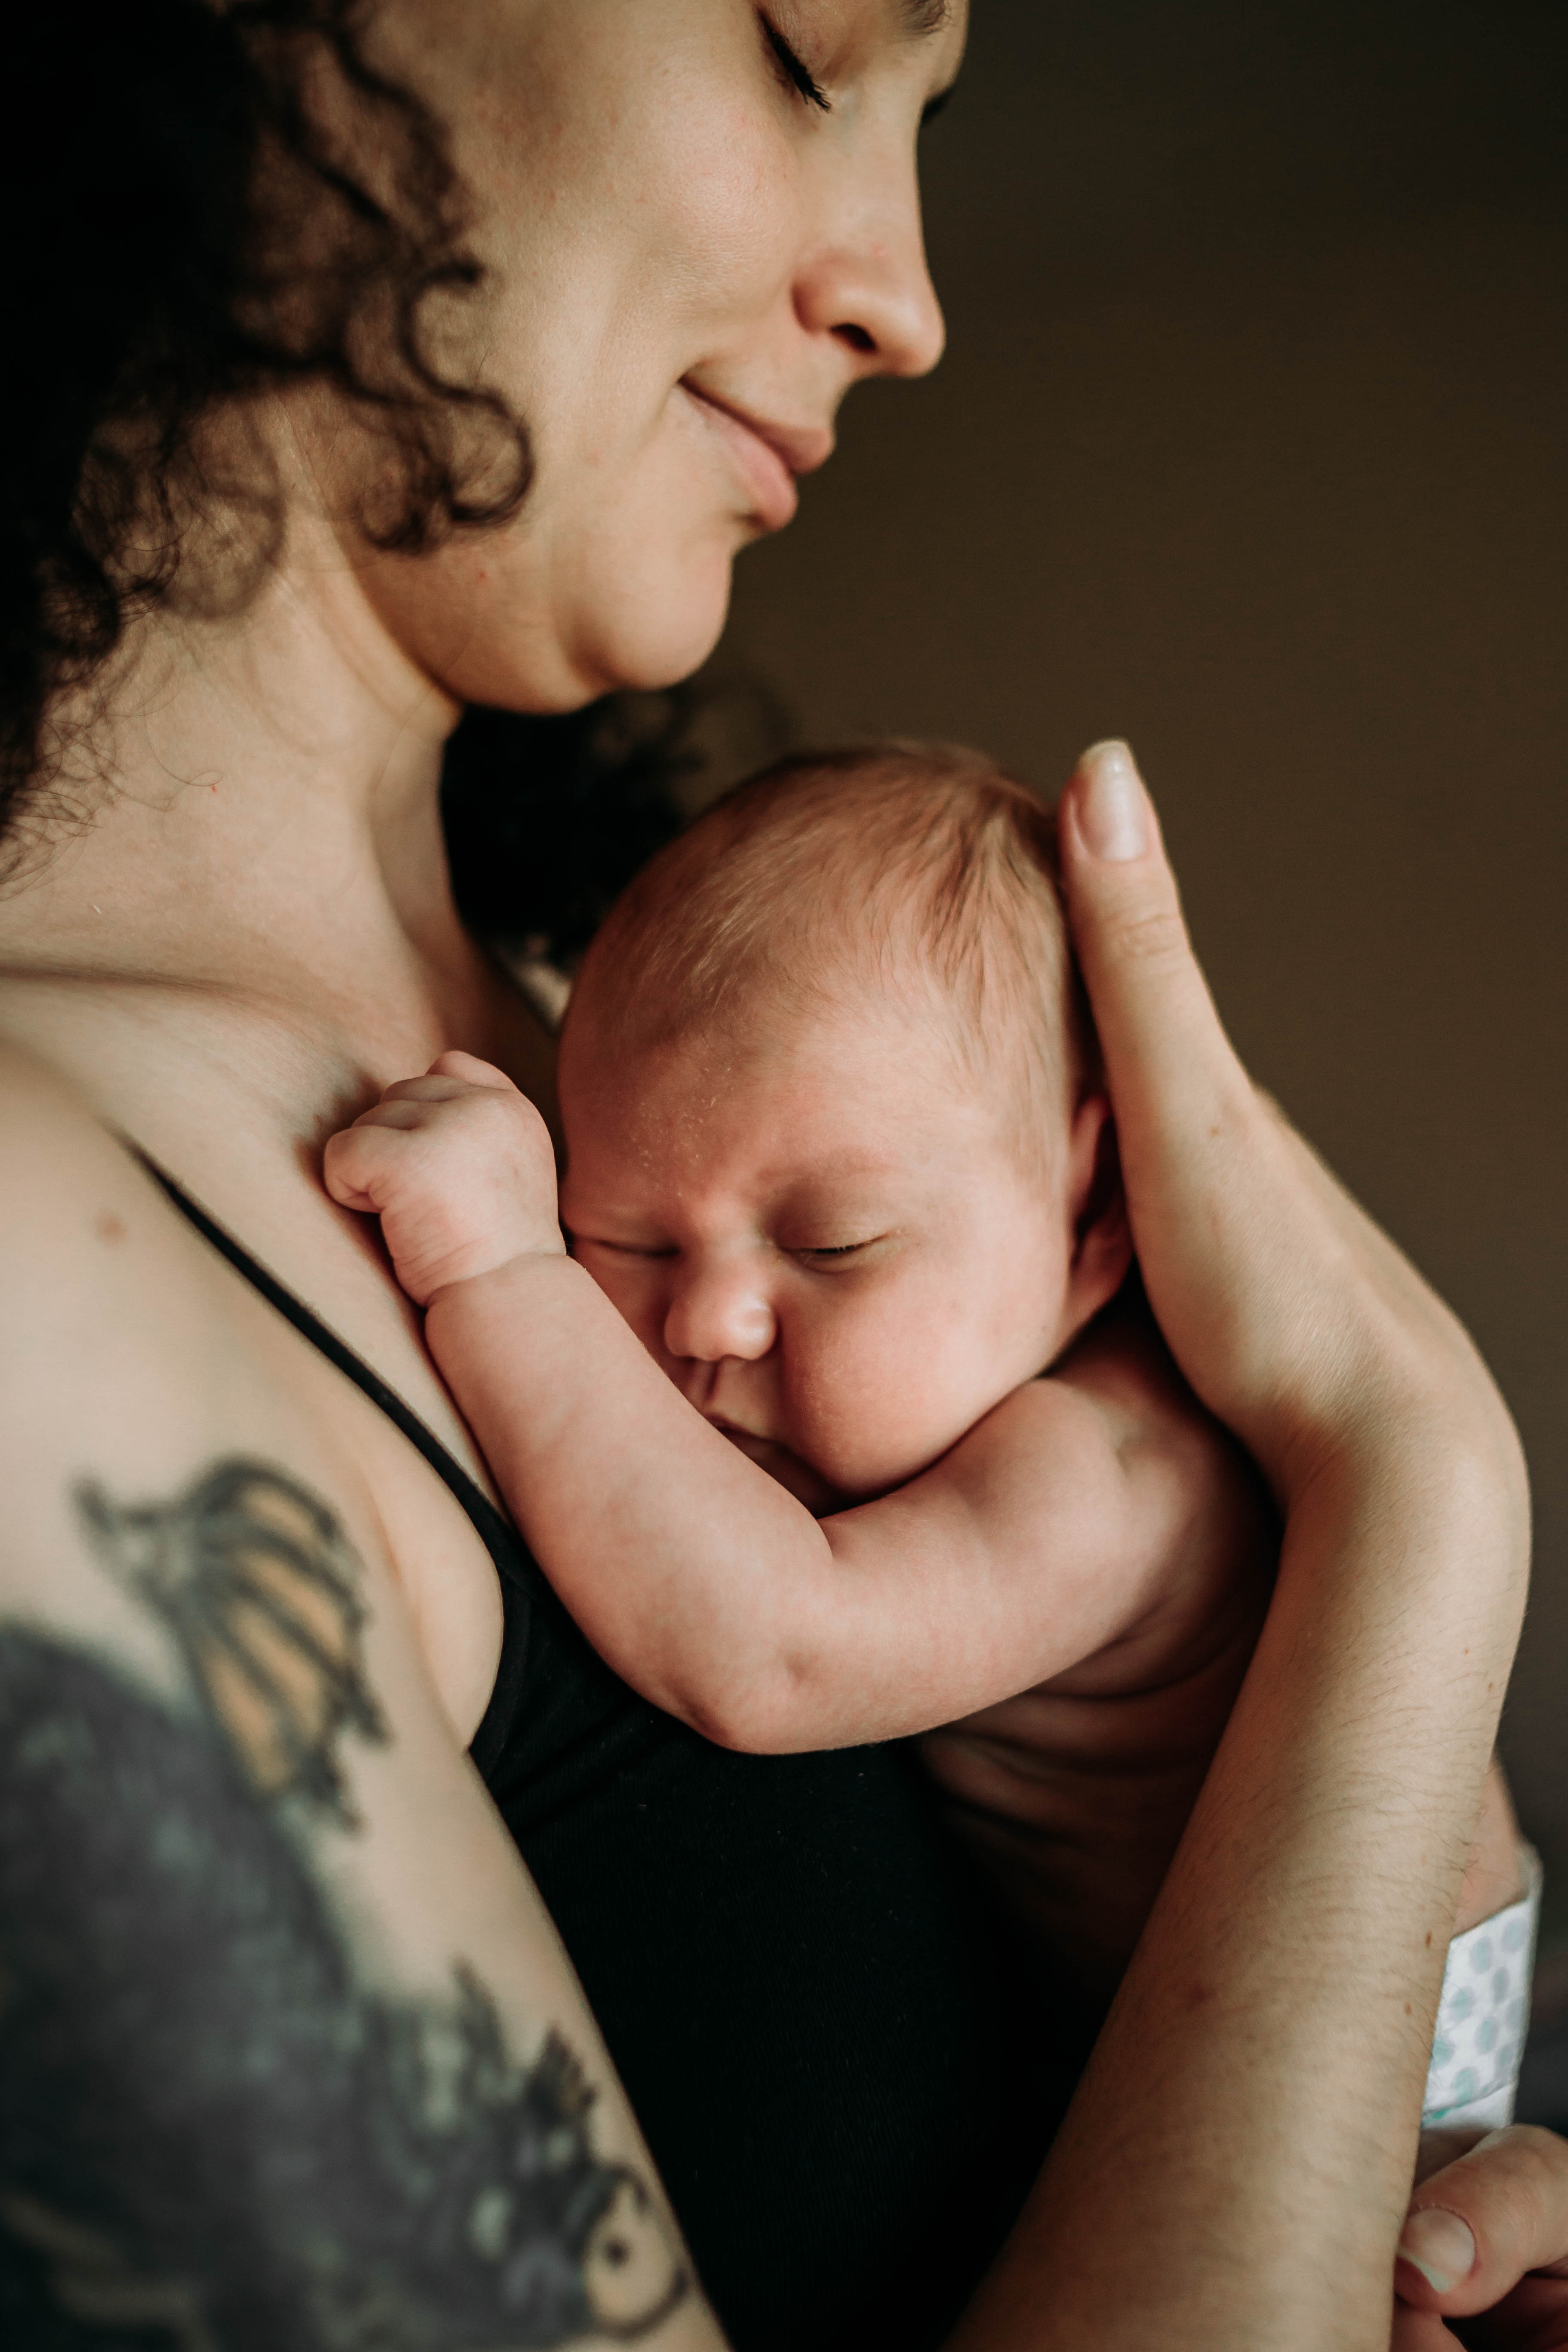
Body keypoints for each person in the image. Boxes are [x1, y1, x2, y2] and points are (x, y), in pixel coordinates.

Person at [0, 2, 1561, 2346]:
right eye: (814, 45)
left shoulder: (686, 1049)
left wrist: (1378, 2178)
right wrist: (1419, 1506)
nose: (909, 298)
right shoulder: (51, 1257)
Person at [322, 742, 1276, 1782]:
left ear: (1089, 1210)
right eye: (623, 1237)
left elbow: (775, 1656)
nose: (705, 1322)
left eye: (833, 1244)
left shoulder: (1108, 1477)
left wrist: (503, 1272)